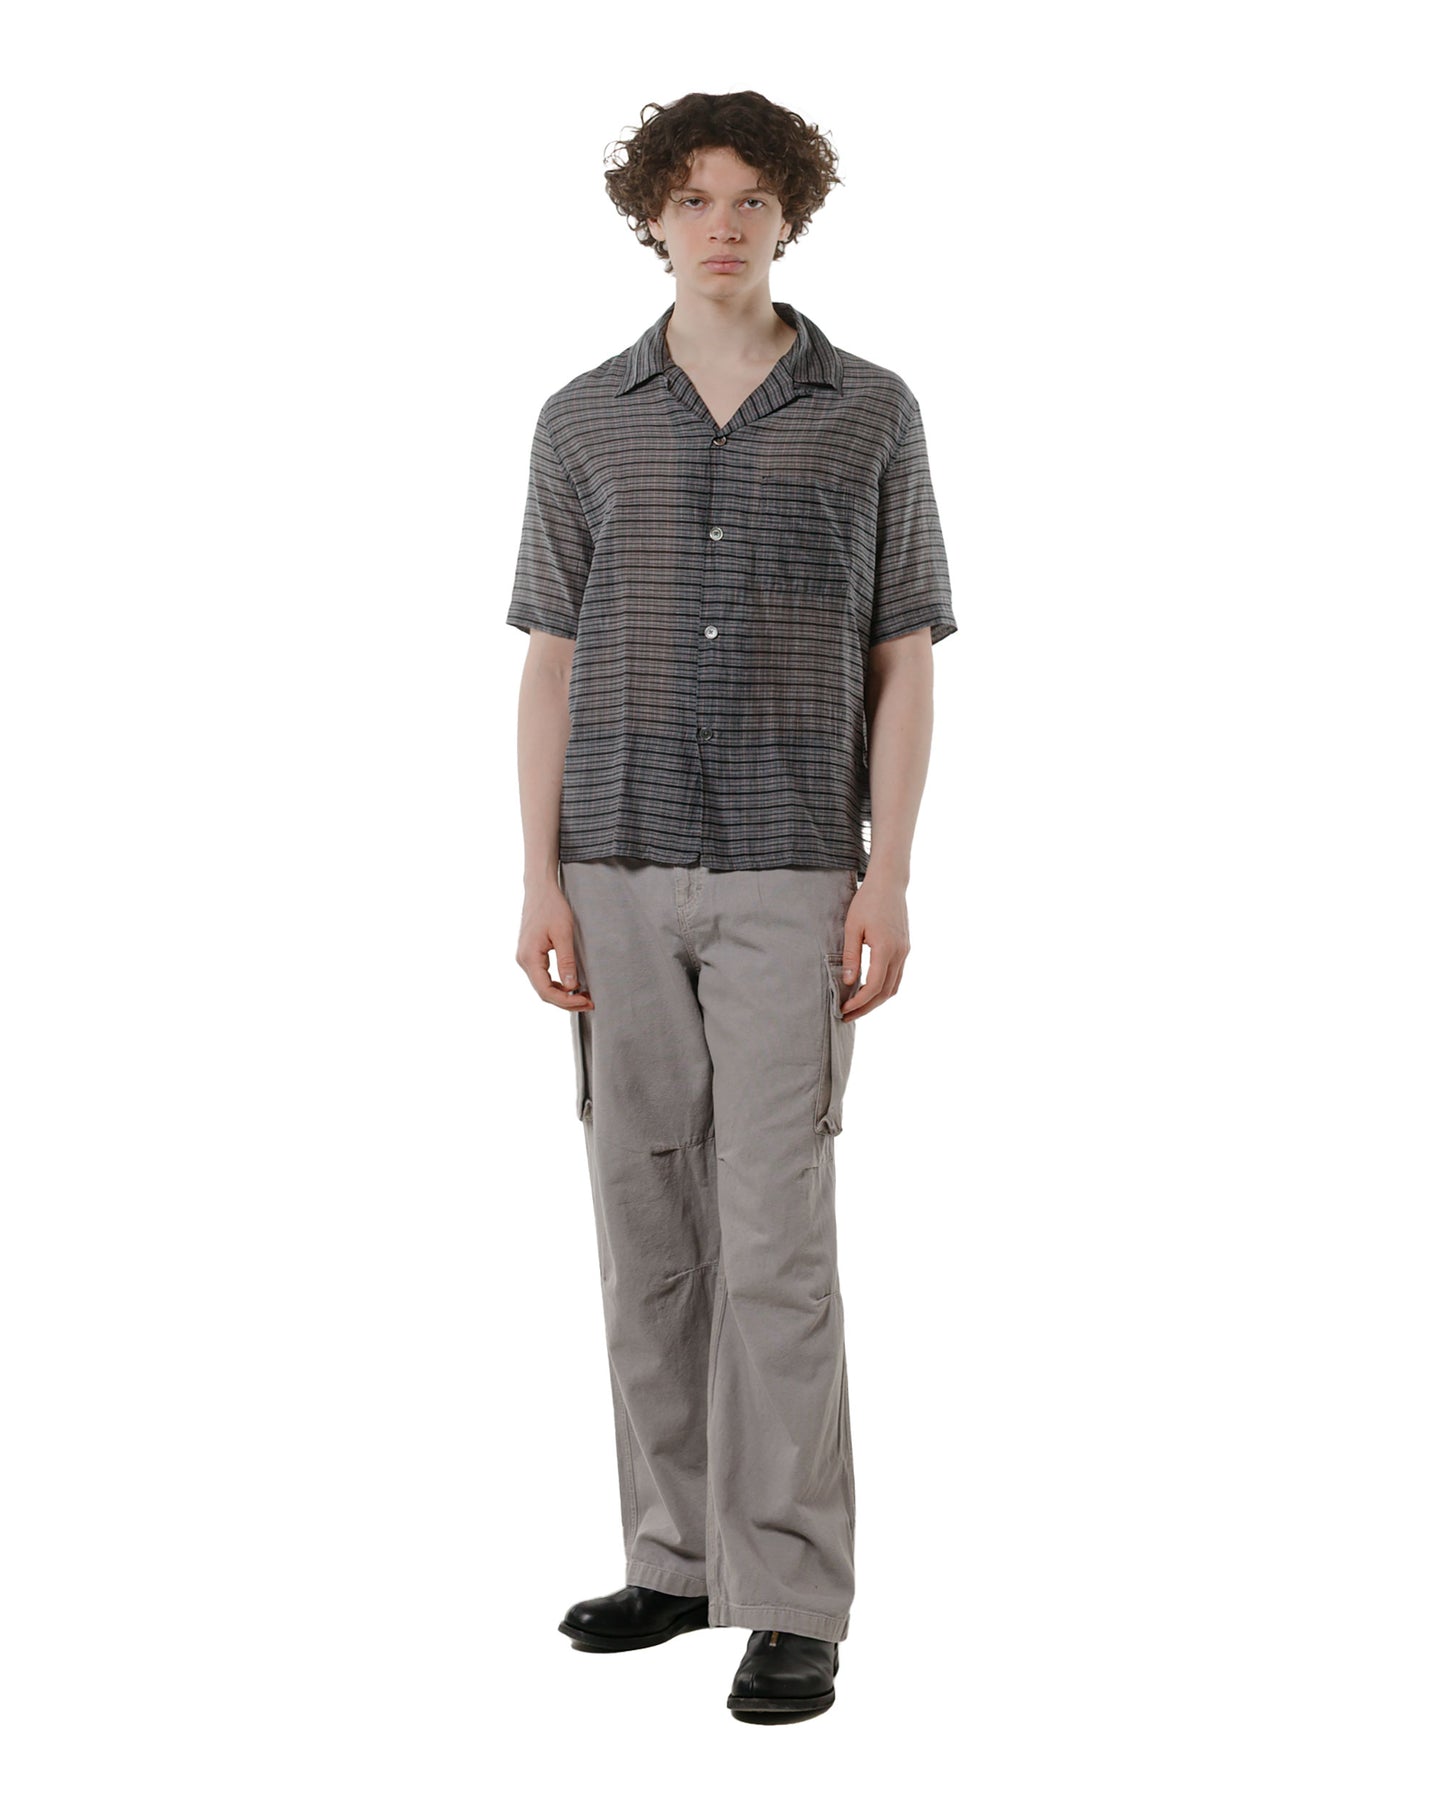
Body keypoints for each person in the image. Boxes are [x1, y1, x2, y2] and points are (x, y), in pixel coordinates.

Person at [507, 90, 955, 1725]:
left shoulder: (867, 411)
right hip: (613, 866)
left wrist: (886, 873)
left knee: (773, 1241)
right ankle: (676, 1556)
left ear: (789, 216)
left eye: (750, 198)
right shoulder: (582, 419)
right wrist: (537, 875)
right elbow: (549, 662)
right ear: (650, 214)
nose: (721, 224)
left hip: (789, 867)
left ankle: (792, 1595)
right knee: (648, 1231)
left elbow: (902, 655)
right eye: (692, 197)